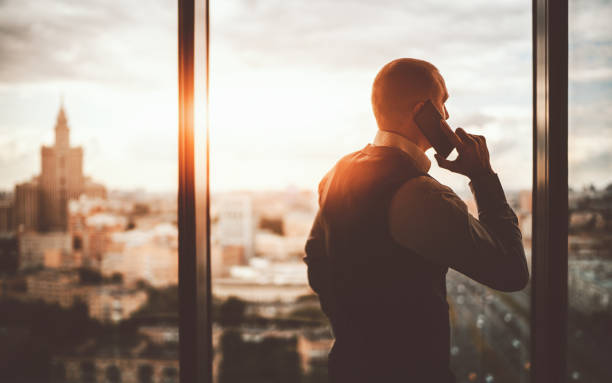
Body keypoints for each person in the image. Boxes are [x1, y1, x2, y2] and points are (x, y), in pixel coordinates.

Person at [303, 58, 529, 382]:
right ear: (423, 110)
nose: (448, 115)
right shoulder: (422, 195)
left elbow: (316, 259)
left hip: (348, 367)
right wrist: (482, 176)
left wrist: (351, 320)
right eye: (443, 102)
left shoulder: (338, 171)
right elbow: (511, 272)